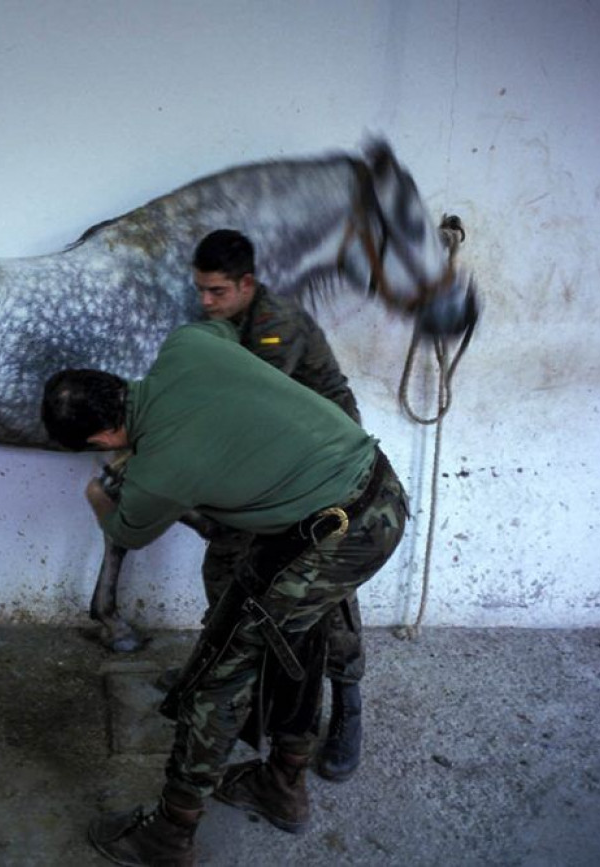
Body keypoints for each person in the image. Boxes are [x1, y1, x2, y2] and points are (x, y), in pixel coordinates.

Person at [42, 322, 407, 865]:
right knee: (295, 644)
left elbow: (125, 532)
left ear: (100, 440)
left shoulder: (156, 473)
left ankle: (169, 833)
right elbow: (222, 329)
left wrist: (99, 491)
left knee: (218, 680)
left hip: (330, 535)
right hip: (380, 488)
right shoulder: (188, 343)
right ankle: (281, 786)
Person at [191, 228, 367, 782]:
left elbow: (255, 412)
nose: (205, 302)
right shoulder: (224, 321)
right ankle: (218, 678)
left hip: (327, 465)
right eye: (200, 290)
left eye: (216, 291)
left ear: (247, 283)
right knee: (224, 566)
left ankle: (347, 709)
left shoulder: (276, 327)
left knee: (325, 597)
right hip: (273, 464)